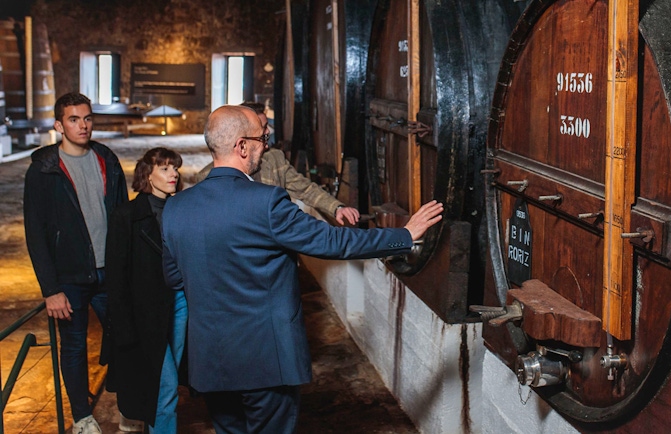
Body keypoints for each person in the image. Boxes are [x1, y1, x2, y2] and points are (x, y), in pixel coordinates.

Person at [161, 105, 443, 433]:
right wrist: (405, 235)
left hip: (210, 359)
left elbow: (174, 278)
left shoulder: (175, 207)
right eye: (260, 139)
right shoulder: (267, 202)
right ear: (241, 146)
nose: (265, 145)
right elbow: (335, 243)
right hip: (266, 359)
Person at [23, 92, 127, 434]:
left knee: (127, 336)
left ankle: (128, 403)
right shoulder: (43, 170)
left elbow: (123, 217)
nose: (82, 126)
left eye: (86, 118)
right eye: (73, 119)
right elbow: (35, 233)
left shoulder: (107, 159)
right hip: (69, 276)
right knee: (74, 347)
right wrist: (50, 289)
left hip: (109, 271)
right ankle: (82, 416)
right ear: (58, 125)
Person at [103, 147, 186, 434]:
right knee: (165, 387)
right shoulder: (126, 215)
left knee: (166, 385)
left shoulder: (181, 209)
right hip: (145, 315)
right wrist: (124, 329)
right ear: (147, 176)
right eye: (164, 168)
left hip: (180, 305)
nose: (173, 173)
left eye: (175, 167)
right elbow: (116, 277)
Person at [195, 101, 361, 226]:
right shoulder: (207, 177)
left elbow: (305, 189)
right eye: (263, 127)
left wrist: (336, 207)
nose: (268, 132)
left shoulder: (274, 159)